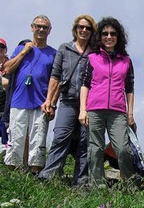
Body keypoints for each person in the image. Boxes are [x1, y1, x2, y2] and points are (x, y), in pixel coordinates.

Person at [38, 14, 97, 185]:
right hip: (68, 100)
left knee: (85, 142)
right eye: (81, 27)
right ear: (75, 29)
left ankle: (80, 182)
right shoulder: (65, 48)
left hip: (90, 103)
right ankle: (48, 177)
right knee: (60, 137)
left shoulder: (95, 53)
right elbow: (55, 75)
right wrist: (49, 100)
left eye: (88, 28)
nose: (84, 30)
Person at [78, 17, 135, 185]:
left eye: (113, 34)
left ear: (118, 37)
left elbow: (130, 88)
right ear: (99, 36)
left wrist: (130, 113)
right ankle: (98, 187)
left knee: (123, 149)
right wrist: (83, 109)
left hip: (117, 111)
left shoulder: (126, 60)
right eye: (105, 34)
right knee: (95, 149)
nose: (109, 37)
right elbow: (85, 84)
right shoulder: (92, 58)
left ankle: (130, 185)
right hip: (94, 108)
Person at [3, 15, 56, 173]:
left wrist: (51, 103)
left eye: (44, 27)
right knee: (16, 140)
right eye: (38, 26)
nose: (41, 30)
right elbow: (7, 68)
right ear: (32, 27)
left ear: (49, 31)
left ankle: (35, 175)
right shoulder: (21, 49)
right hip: (19, 101)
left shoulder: (53, 54)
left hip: (41, 103)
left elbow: (55, 80)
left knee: (38, 141)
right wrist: (24, 52)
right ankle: (12, 174)